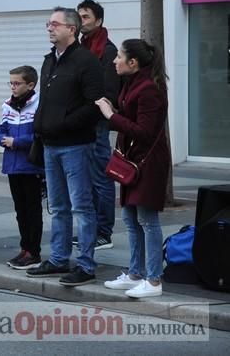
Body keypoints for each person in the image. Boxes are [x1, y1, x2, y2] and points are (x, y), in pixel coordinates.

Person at [27, 7, 104, 287]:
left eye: (55, 24)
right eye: (48, 23)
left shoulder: (86, 61)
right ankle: (58, 259)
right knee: (58, 206)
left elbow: (94, 105)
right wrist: (41, 125)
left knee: (82, 207)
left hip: (76, 145)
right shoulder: (50, 61)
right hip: (50, 144)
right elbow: (45, 101)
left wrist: (64, 124)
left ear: (72, 29)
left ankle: (85, 264)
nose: (50, 28)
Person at [97, 39, 170, 298]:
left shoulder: (149, 89)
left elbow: (144, 132)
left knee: (147, 220)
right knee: (130, 218)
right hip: (133, 162)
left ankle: (153, 281)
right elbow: (133, 121)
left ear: (133, 62)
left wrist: (110, 115)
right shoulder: (132, 84)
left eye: (119, 56)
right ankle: (136, 273)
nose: (114, 61)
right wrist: (115, 112)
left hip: (147, 163)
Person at [77, 0, 121, 250]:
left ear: (99, 20)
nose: (81, 21)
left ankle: (103, 231)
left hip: (97, 123)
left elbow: (108, 91)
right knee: (87, 178)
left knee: (102, 177)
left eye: (86, 17)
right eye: (79, 16)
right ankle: (91, 229)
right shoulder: (81, 47)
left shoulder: (108, 50)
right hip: (82, 123)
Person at [0, 65, 44, 270]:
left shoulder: (38, 105)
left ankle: (34, 252)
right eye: (11, 83)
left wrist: (17, 141)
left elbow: (39, 134)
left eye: (17, 83)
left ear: (30, 85)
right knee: (20, 210)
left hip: (31, 166)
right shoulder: (7, 105)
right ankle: (24, 248)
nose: (13, 87)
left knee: (32, 210)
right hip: (13, 166)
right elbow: (0, 130)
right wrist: (2, 139)